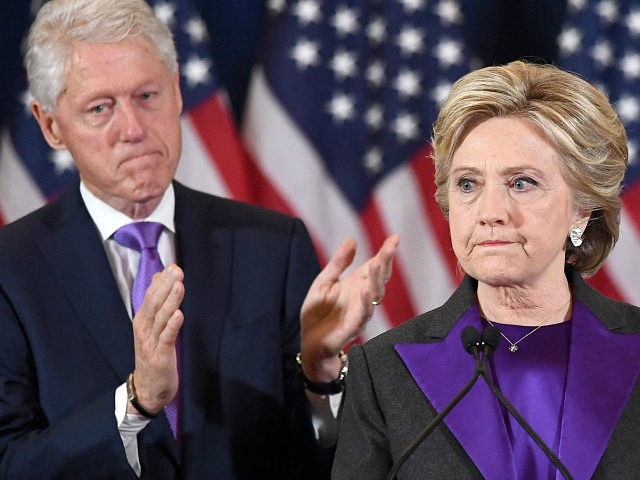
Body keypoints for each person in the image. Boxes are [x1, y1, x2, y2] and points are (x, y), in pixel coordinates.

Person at [0, 0, 399, 479]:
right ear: (51, 126)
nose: (133, 129)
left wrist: (318, 373)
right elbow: (12, 463)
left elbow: (324, 462)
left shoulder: (271, 247)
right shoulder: (12, 271)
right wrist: (136, 403)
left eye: (147, 96)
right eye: (100, 108)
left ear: (176, 91)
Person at [332, 60, 640, 479]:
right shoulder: (385, 371)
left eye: (522, 183)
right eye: (468, 184)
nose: (490, 212)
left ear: (582, 209)